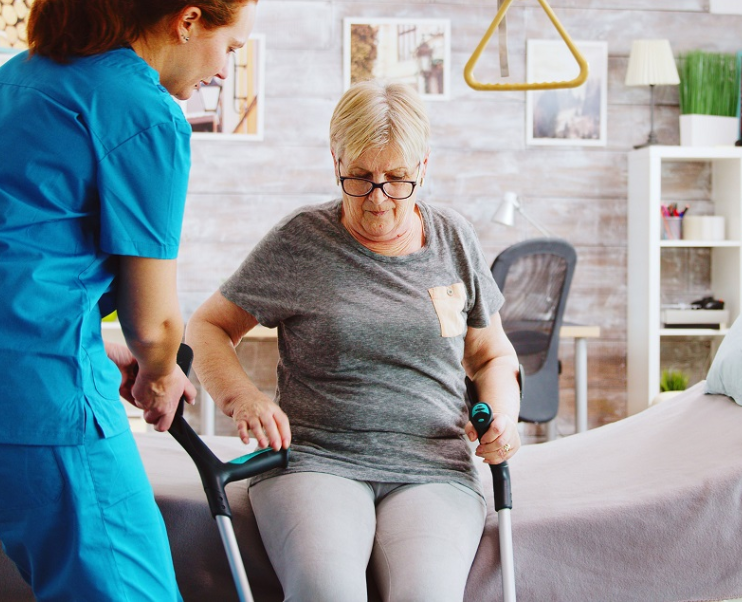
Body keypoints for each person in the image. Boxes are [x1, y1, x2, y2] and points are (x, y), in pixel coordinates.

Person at [0, 0, 259, 601]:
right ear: (188, 21)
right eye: (230, 47)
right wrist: (157, 371)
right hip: (37, 400)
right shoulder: (146, 113)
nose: (226, 69)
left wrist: (101, 344)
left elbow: (1, 253)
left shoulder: (11, 82)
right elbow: (156, 323)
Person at [187, 80, 521, 602]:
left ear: (424, 167)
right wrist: (242, 397)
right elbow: (206, 326)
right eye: (360, 178)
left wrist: (501, 415)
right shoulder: (301, 240)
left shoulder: (455, 238)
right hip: (317, 458)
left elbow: (491, 354)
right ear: (335, 159)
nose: (379, 198)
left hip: (432, 465)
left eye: (398, 179)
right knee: (326, 592)